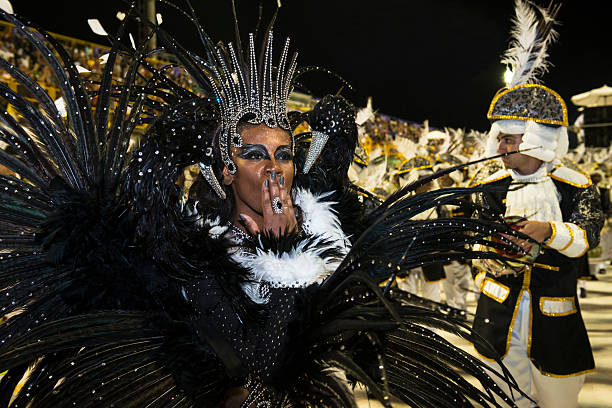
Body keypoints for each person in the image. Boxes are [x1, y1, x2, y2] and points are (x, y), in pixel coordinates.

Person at [0, 3, 527, 407]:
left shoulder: (326, 235)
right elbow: (257, 367)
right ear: (226, 172)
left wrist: (303, 254)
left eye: (284, 155)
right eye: (255, 155)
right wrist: (287, 261)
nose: (275, 168)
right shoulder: (192, 260)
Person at [470, 1, 604, 407]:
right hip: (496, 315)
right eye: (500, 138)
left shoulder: (575, 185)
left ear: (538, 139)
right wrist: (491, 250)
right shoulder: (489, 186)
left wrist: (548, 232)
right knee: (501, 399)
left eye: (509, 139)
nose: (500, 147)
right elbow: (473, 240)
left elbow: (588, 236)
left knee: (558, 400)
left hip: (555, 319)